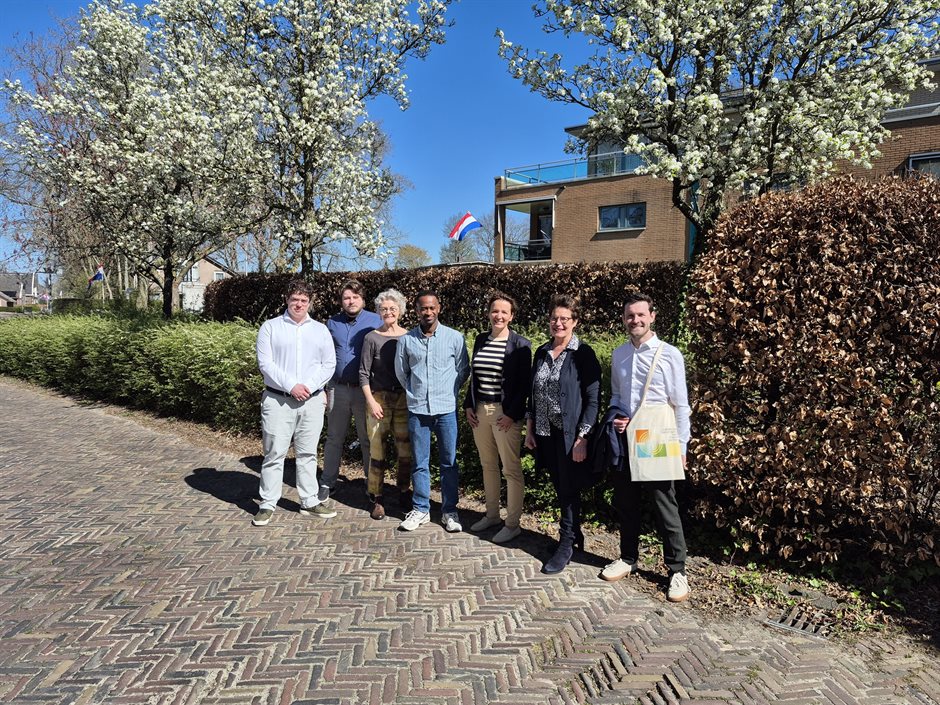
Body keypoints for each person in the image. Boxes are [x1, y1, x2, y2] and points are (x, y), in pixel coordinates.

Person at [601, 292, 691, 603]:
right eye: (630, 315)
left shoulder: (669, 354)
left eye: (641, 315)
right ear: (624, 319)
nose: (635, 320)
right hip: (627, 439)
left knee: (664, 503)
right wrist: (616, 416)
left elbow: (681, 404)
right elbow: (616, 395)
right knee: (626, 502)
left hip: (657, 439)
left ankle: (677, 570)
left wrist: (682, 446)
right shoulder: (619, 354)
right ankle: (628, 558)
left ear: (652, 316)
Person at [525, 294, 601, 574]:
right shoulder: (542, 352)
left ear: (575, 321)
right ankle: (575, 534)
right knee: (560, 485)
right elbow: (533, 395)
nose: (558, 323)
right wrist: (529, 429)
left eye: (564, 319)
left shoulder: (583, 354)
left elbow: (593, 399)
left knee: (569, 489)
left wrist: (583, 437)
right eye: (554, 318)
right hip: (546, 433)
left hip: (570, 436)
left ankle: (566, 542)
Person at [253, 279, 337, 526]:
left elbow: (329, 364)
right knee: (274, 453)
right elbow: (266, 364)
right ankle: (267, 503)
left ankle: (309, 500)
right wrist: (292, 386)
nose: (299, 304)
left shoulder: (320, 330)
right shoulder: (270, 327)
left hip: (311, 400)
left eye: (303, 300)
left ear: (310, 302)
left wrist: (308, 387)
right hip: (278, 400)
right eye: (294, 299)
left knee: (308, 453)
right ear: (286, 300)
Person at [395, 291, 470, 532]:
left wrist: (449, 390)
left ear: (439, 308)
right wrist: (415, 392)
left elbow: (463, 369)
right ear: (416, 310)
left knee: (449, 462)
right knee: (420, 462)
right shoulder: (406, 340)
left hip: (446, 410)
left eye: (431, 307)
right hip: (418, 410)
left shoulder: (454, 338)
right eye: (423, 308)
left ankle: (449, 511)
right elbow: (402, 372)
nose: (428, 312)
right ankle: (421, 509)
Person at [464, 292, 532, 543]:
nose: (499, 316)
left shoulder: (521, 344)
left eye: (504, 312)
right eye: (495, 310)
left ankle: (512, 524)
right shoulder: (481, 339)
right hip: (480, 413)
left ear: (511, 316)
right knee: (488, 466)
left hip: (505, 415)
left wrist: (512, 414)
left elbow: (525, 384)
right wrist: (468, 405)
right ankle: (492, 515)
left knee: (511, 470)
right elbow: (475, 377)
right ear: (488, 313)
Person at [320, 279, 382, 508]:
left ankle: (371, 485)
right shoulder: (332, 323)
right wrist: (323, 387)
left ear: (363, 299)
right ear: (341, 301)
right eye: (347, 297)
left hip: (365, 392)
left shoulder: (376, 321)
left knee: (368, 439)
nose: (351, 301)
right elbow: (323, 355)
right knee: (334, 438)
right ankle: (327, 482)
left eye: (355, 297)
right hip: (337, 388)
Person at [359, 288, 412, 520]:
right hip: (378, 399)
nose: (388, 312)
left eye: (392, 308)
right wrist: (371, 401)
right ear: (378, 312)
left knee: (405, 451)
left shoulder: (409, 336)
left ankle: (404, 491)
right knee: (377, 452)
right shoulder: (371, 338)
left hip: (403, 400)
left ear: (400, 310)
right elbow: (363, 374)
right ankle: (377, 497)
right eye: (383, 309)